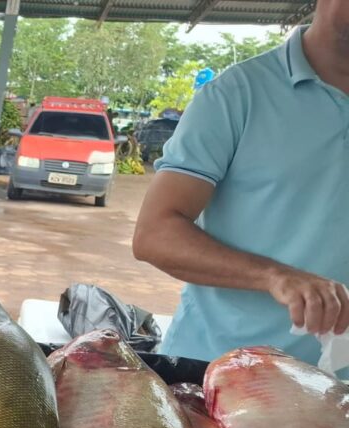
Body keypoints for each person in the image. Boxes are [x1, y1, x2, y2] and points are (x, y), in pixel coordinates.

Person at [132, 5, 349, 364]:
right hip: (220, 373)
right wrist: (275, 276)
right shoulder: (236, 94)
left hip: (336, 383)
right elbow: (155, 233)